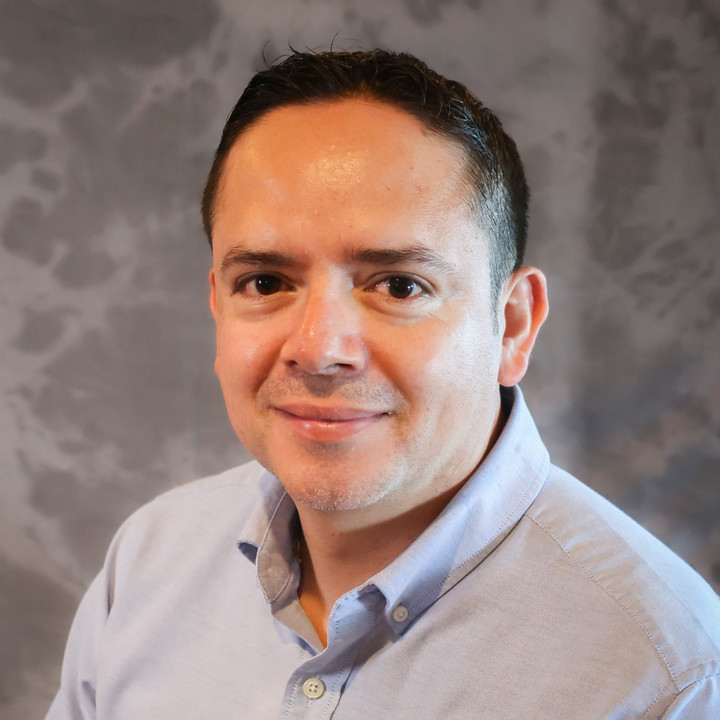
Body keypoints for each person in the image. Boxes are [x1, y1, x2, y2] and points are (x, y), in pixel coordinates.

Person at [47, 49, 720, 719]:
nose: (318, 350)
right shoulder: (147, 564)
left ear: (513, 326)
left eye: (399, 286)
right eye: (266, 282)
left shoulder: (668, 677)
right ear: (218, 304)